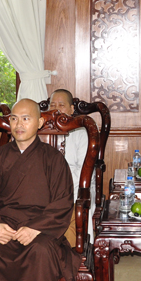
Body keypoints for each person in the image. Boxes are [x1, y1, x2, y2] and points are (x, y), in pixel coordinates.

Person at [0, 98, 79, 281]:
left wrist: (35, 228)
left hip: (40, 229)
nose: (19, 124)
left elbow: (62, 202)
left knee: (41, 250)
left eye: (26, 118)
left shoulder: (54, 159)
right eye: (14, 119)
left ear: (39, 123)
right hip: (4, 226)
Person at [48, 89, 97, 243]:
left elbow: (86, 172)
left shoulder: (82, 132)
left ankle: (74, 247)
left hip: (75, 186)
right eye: (52, 105)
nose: (56, 109)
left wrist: (57, 179)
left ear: (71, 109)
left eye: (61, 105)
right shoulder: (40, 132)